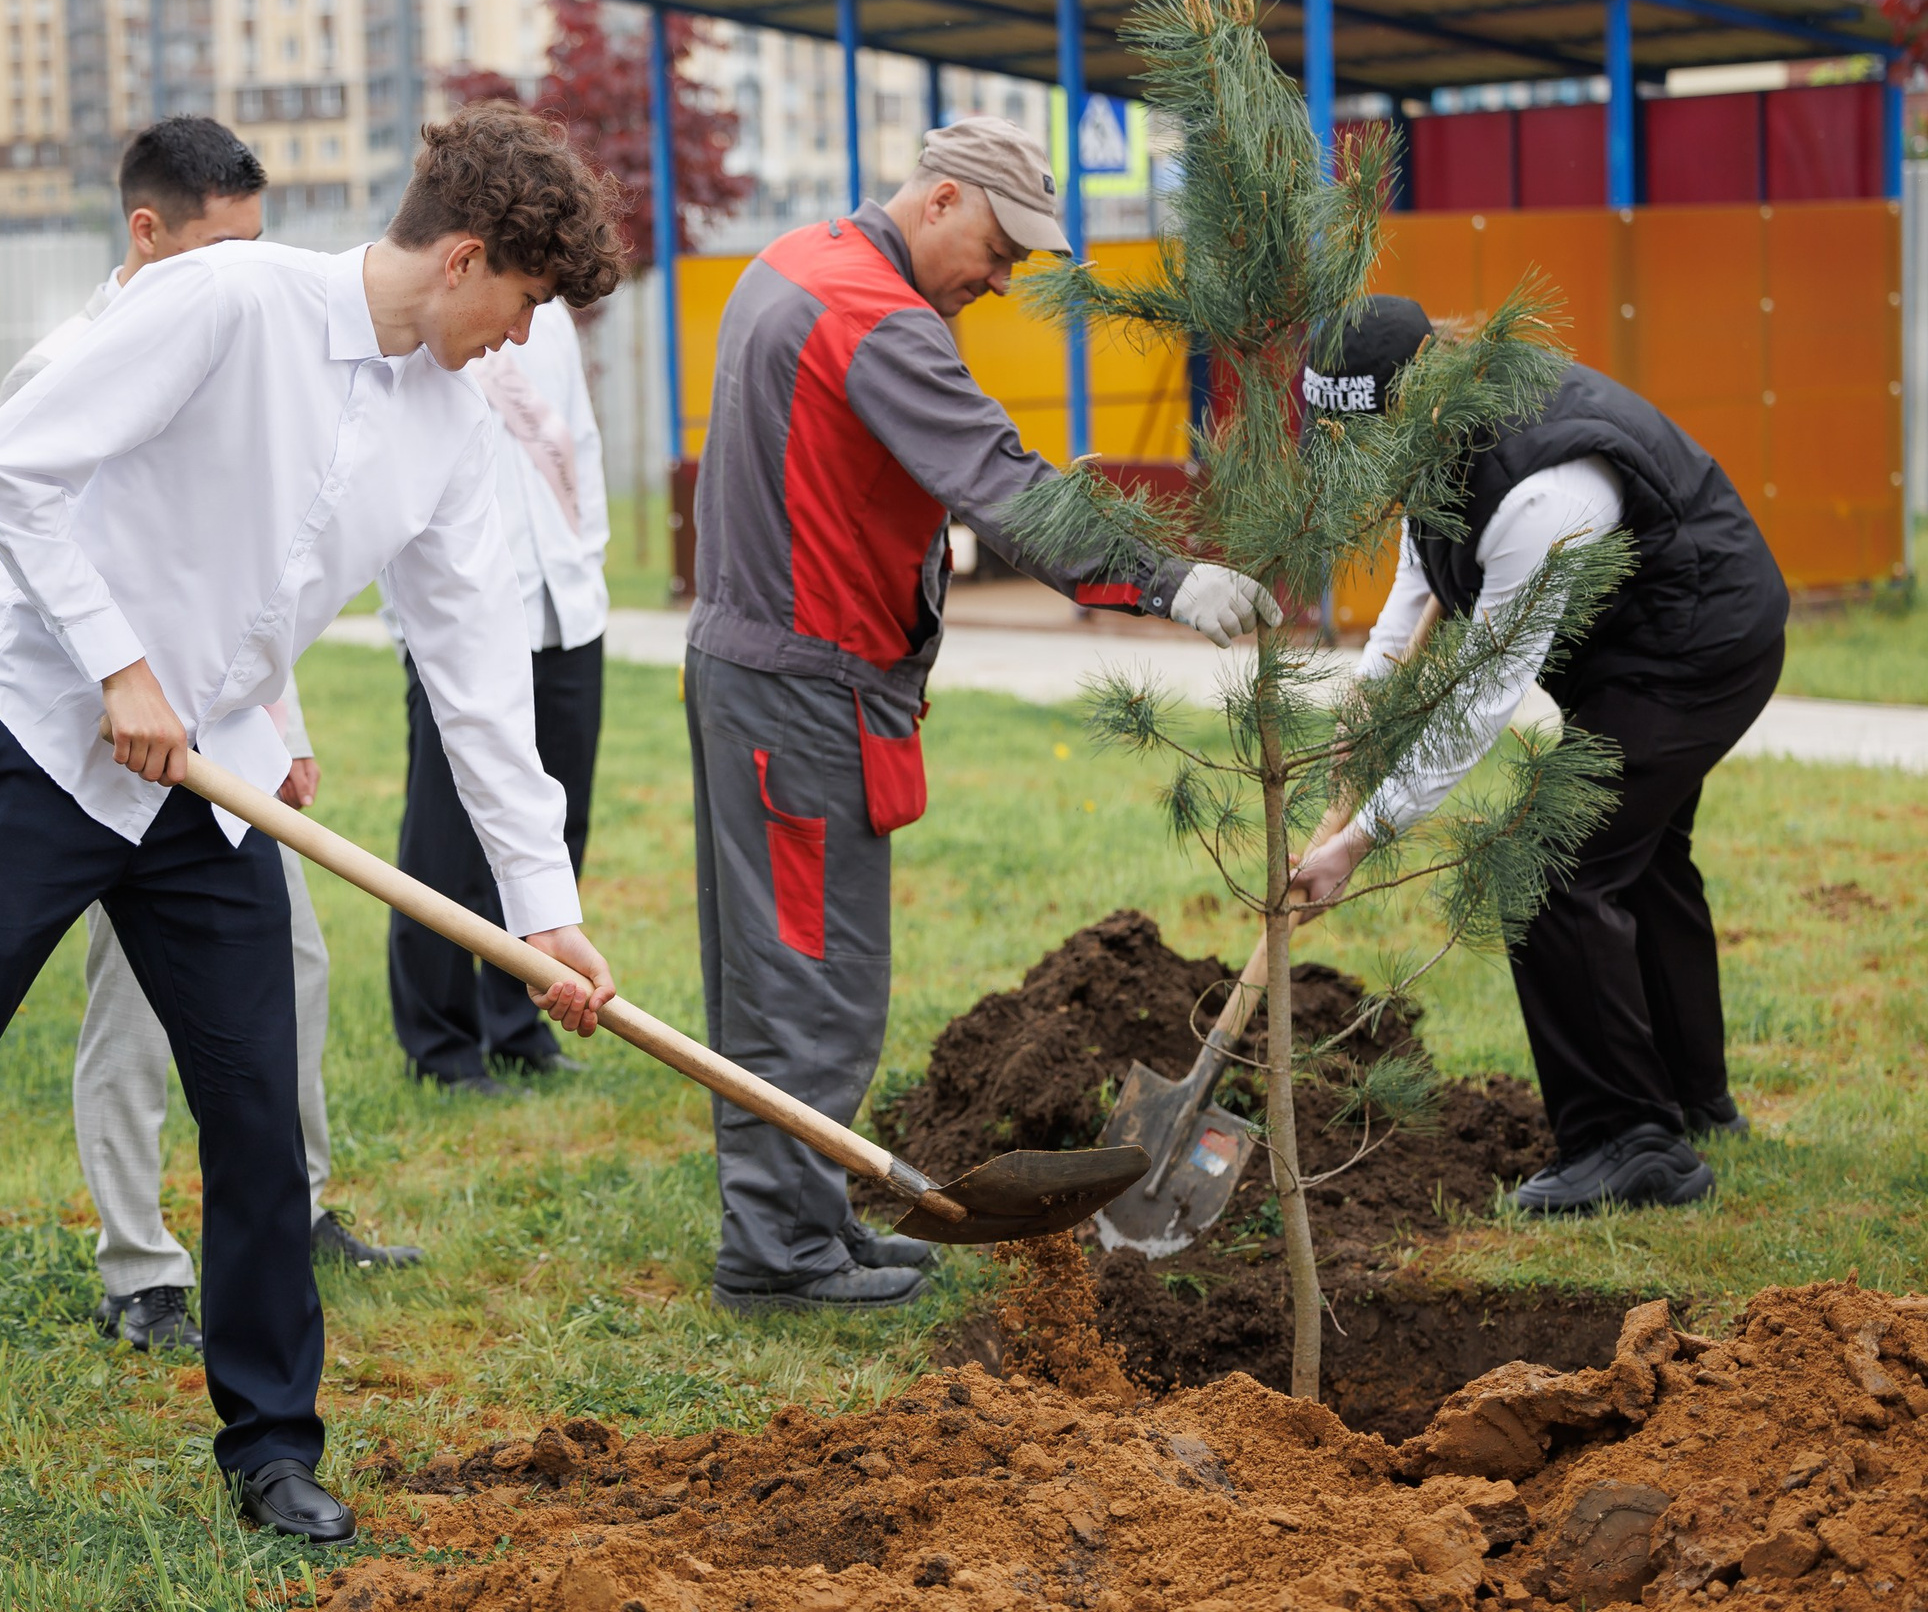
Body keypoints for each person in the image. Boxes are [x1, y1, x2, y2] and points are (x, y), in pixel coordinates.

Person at [0, 104, 628, 1555]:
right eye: (527, 303)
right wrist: (117, 660)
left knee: (258, 1117)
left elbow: (479, 686)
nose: (523, 339)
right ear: (466, 257)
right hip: (36, 736)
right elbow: (5, 468)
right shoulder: (227, 300)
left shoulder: (452, 436)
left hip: (205, 787)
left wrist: (541, 912)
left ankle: (273, 1446)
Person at [685, 117, 1281, 1315]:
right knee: (810, 980)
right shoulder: (876, 317)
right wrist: (1170, 583)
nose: (1003, 281)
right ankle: (779, 1257)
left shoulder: (794, 261)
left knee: (783, 970)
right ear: (943, 199)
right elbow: (1007, 490)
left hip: (775, 674)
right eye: (1000, 251)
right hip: (803, 693)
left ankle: (806, 1225)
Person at [0, 117, 421, 1357]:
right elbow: (51, 561)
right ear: (148, 230)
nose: (248, 272)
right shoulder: (68, 361)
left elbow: (247, 563)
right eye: (220, 246)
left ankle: (293, 1208)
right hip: (116, 750)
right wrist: (137, 692)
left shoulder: (251, 339)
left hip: (226, 737)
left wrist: (273, 716)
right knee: (134, 1010)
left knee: (292, 970)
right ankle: (140, 1268)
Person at [1288, 295, 1788, 1216]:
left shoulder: (1540, 489)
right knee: (1638, 859)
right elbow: (1423, 571)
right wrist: (1366, 703)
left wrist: (1360, 837)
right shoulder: (1443, 438)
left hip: (1700, 644)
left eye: (1364, 435)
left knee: (1547, 862)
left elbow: (1485, 696)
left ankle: (1630, 1143)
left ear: (1418, 399)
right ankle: (1692, 1101)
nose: (1353, 458)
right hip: (1641, 643)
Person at [384, 295, 608, 1093]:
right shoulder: (420, 324)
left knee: (557, 815)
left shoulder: (543, 320)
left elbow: (576, 441)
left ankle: (521, 1023)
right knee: (447, 846)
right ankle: (442, 1043)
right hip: (462, 627)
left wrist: (588, 563)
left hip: (564, 604)